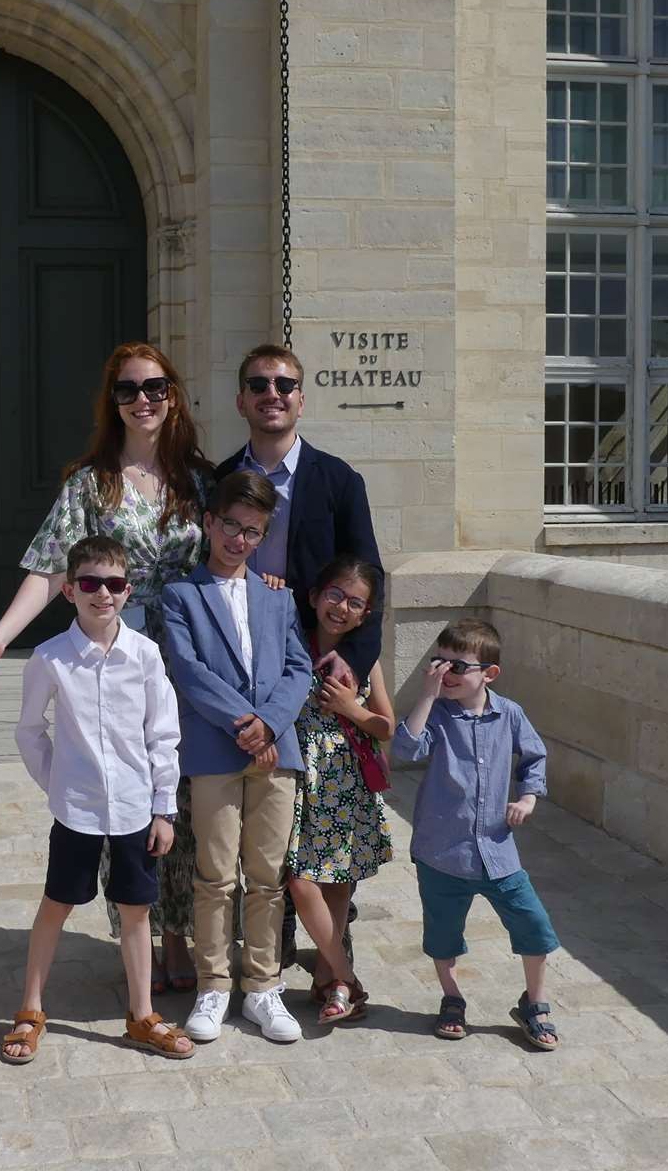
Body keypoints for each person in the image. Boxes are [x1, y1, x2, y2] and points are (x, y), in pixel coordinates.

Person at [0, 341, 213, 991]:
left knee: (179, 799)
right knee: (121, 798)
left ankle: (180, 934)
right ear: (113, 402)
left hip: (188, 660)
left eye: (153, 387)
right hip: (117, 660)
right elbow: (50, 566)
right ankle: (144, 935)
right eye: (127, 390)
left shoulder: (198, 479)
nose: (142, 400)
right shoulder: (91, 484)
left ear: (172, 393)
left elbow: (234, 555)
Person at [214, 342, 383, 965]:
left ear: (301, 399)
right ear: (241, 401)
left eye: (285, 384)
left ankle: (334, 938)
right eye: (258, 384)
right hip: (241, 662)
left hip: (315, 662)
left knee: (321, 798)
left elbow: (370, 573)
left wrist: (356, 662)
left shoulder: (339, 480)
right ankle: (271, 931)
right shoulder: (221, 479)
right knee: (260, 793)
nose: (272, 393)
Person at [1, 536, 195, 1064]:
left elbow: (163, 734)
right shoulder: (50, 658)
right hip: (77, 812)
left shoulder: (146, 655)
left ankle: (141, 1013)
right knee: (55, 905)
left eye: (113, 584)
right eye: (89, 583)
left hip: (135, 808)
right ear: (69, 590)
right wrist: (57, 783)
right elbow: (28, 731)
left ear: (127, 590)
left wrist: (164, 807)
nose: (102, 594)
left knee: (136, 911)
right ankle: (30, 1009)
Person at [162, 470, 312, 1044]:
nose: (239, 539)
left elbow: (298, 668)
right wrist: (244, 723)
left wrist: (270, 722)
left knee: (269, 877)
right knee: (215, 874)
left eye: (252, 531)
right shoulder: (182, 596)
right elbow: (188, 670)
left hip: (278, 750)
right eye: (230, 525)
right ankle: (214, 984)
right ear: (209, 523)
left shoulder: (277, 598)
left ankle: (263, 986)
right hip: (214, 749)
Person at [390, 618, 561, 1051]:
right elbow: (406, 749)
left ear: (489, 673)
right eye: (438, 663)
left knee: (534, 925)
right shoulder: (437, 715)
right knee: (443, 934)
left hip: (498, 851)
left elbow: (534, 758)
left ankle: (535, 1004)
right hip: (441, 852)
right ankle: (451, 998)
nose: (445, 674)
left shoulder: (511, 715)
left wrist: (528, 799)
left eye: (458, 667)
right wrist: (426, 695)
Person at [286, 556, 395, 1024]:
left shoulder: (365, 661)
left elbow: (386, 726)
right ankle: (347, 977)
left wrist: (352, 707)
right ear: (313, 596)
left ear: (365, 614)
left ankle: (329, 986)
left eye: (355, 602)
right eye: (335, 594)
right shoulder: (291, 645)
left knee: (337, 889)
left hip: (345, 781)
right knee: (299, 879)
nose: (342, 607)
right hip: (299, 779)